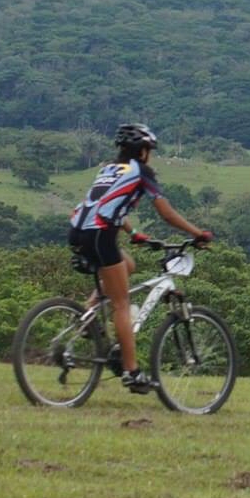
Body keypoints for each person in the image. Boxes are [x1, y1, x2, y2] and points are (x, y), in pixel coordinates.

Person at [69, 123, 213, 393]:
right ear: (143, 151)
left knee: (128, 265)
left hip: (78, 233)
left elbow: (106, 204)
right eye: (150, 150)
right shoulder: (141, 171)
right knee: (122, 304)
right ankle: (132, 372)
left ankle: (87, 315)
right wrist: (198, 234)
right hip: (101, 235)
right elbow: (166, 213)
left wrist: (134, 233)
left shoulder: (109, 170)